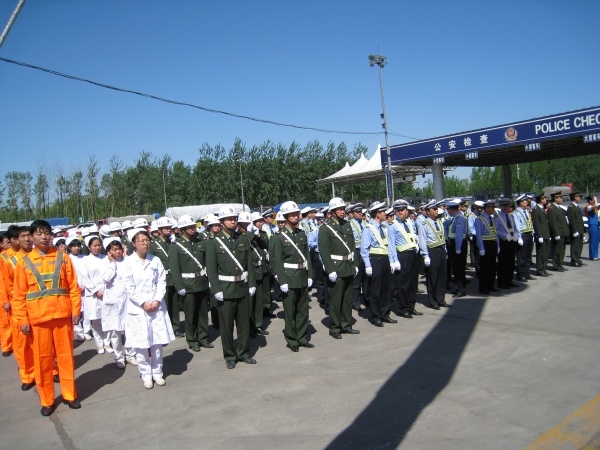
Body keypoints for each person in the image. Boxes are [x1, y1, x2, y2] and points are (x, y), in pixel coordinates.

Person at [12, 220, 81, 416]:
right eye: (39, 233)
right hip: (38, 320)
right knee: (43, 362)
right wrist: (23, 320)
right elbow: (19, 296)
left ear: (51, 235)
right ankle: (47, 400)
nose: (43, 237)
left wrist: (76, 310)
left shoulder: (63, 258)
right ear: (32, 237)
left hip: (62, 317)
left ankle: (69, 394)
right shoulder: (23, 263)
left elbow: (73, 287)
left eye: (46, 233)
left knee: (66, 358)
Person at [121, 228, 175, 389]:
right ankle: (146, 374)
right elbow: (129, 287)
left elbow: (161, 282)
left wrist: (157, 300)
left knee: (156, 343)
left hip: (156, 306)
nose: (145, 243)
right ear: (134, 243)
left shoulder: (155, 260)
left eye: (147, 240)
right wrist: (143, 303)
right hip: (138, 308)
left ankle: (158, 372)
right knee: (141, 344)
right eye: (142, 241)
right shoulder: (128, 263)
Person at [205, 206, 256, 369]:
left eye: (234, 219)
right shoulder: (213, 242)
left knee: (244, 324)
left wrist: (252, 283)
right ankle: (230, 356)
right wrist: (216, 289)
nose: (233, 221)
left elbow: (249, 264)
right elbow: (211, 268)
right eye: (229, 219)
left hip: (242, 287)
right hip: (225, 289)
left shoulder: (243, 239)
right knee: (226, 327)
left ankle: (244, 352)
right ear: (221, 222)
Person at [269, 201, 314, 351]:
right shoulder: (279, 237)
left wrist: (310, 274)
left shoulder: (301, 234)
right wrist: (281, 280)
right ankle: (292, 340)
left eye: (297, 214)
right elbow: (277, 261)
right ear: (286, 217)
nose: (296, 216)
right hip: (289, 278)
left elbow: (307, 255)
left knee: (303, 310)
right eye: (293, 215)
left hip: (302, 276)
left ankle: (302, 337)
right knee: (290, 311)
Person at [169, 215, 212, 352]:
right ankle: (192, 340)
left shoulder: (200, 242)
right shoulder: (176, 246)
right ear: (183, 229)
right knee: (190, 314)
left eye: (194, 226)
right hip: (188, 285)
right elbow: (174, 268)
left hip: (201, 282)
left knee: (203, 312)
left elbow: (207, 261)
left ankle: (203, 337)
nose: (193, 228)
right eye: (190, 227)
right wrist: (179, 286)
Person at [1, 226, 36, 388]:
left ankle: (51, 370)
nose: (27, 239)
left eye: (29, 235)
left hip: (38, 305)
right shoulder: (10, 260)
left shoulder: (40, 256)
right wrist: (6, 301)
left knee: (45, 343)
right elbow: (5, 283)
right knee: (23, 344)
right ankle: (28, 375)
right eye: (23, 236)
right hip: (20, 306)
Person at [318, 197, 359, 339]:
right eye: (339, 209)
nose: (343, 211)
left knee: (347, 299)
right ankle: (335, 327)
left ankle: (346, 325)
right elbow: (324, 251)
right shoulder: (325, 228)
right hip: (336, 268)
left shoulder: (347, 225)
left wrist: (355, 264)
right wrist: (330, 270)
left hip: (348, 266)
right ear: (332, 212)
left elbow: (352, 246)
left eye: (343, 209)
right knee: (335, 300)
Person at [361, 201, 395, 327]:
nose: (385, 214)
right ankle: (376, 316)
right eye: (383, 212)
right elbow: (364, 249)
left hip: (385, 259)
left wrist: (392, 261)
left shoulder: (385, 228)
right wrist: (367, 265)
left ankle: (385, 313)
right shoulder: (368, 229)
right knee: (375, 289)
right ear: (377, 214)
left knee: (386, 288)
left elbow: (389, 246)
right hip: (375, 260)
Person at [149, 217, 183, 338]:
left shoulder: (173, 243)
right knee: (165, 305)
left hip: (174, 277)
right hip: (163, 278)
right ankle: (165, 328)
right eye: (166, 228)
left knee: (175, 305)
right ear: (160, 230)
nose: (169, 230)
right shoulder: (154, 245)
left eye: (170, 228)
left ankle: (176, 327)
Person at [100, 238, 131, 368]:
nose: (118, 252)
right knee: (115, 332)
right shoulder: (104, 263)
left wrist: (126, 256)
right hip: (113, 302)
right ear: (109, 252)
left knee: (129, 329)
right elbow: (106, 278)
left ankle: (131, 355)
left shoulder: (126, 261)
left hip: (126, 300)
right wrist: (112, 263)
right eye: (115, 250)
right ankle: (119, 357)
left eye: (119, 249)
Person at [388, 200, 422, 318]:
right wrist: (394, 260)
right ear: (394, 211)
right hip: (402, 256)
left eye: (402, 210)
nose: (400, 212)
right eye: (398, 210)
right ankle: (403, 308)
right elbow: (391, 245)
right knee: (403, 284)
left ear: (407, 210)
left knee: (413, 283)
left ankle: (411, 306)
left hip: (413, 254)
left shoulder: (409, 223)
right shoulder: (392, 226)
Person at [418, 200, 450, 309]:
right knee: (433, 277)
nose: (436, 211)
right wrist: (425, 255)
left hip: (441, 250)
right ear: (428, 212)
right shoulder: (424, 224)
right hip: (432, 251)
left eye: (437, 209)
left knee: (442, 276)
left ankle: (441, 299)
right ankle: (433, 301)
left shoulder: (439, 222)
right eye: (434, 209)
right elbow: (422, 241)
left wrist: (445, 250)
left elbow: (442, 237)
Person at [81, 235, 110, 354]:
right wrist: (95, 290)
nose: (97, 248)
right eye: (95, 246)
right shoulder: (85, 261)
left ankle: (107, 342)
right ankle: (99, 343)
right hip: (93, 295)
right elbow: (85, 278)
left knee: (107, 318)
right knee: (96, 320)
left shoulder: (106, 258)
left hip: (106, 292)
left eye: (99, 245)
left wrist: (105, 290)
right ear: (89, 247)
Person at [247, 212, 271, 337]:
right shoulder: (244, 236)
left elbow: (265, 245)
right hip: (250, 271)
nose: (261, 223)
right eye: (258, 221)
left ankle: (258, 324)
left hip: (260, 269)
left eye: (261, 221)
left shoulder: (260, 234)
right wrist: (250, 234)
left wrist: (256, 235)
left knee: (259, 301)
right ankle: (250, 327)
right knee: (250, 302)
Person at [475, 200, 500, 294]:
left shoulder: (492, 218)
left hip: (493, 243)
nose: (493, 209)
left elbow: (495, 233)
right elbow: (478, 235)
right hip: (485, 244)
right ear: (486, 208)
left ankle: (491, 285)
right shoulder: (479, 219)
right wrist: (481, 248)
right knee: (485, 267)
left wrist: (498, 245)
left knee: (493, 266)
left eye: (493, 207)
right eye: (492, 207)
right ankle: (483, 287)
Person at [495, 198, 519, 289]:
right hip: (503, 241)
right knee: (503, 263)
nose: (506, 207)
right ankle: (502, 282)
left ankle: (509, 280)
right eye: (504, 205)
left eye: (507, 205)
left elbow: (514, 227)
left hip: (511, 241)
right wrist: (505, 235)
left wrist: (516, 233)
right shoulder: (497, 218)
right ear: (500, 206)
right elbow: (495, 230)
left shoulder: (511, 217)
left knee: (511, 262)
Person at [446, 199, 468, 297]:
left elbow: (459, 234)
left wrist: (458, 248)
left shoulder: (459, 218)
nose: (448, 211)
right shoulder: (456, 217)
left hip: (458, 244)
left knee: (458, 268)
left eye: (448, 209)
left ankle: (461, 289)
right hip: (455, 244)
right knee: (457, 268)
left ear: (451, 209)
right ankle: (459, 287)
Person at [348, 203, 367, 312]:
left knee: (366, 278)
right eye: (357, 212)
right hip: (356, 252)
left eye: (361, 212)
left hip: (366, 252)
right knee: (357, 279)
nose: (360, 213)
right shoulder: (350, 224)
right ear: (352, 213)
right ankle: (355, 301)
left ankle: (366, 299)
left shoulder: (365, 223)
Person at [513, 194, 536, 282]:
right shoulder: (516, 213)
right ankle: (521, 274)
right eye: (525, 201)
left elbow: (530, 223)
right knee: (521, 257)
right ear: (520, 203)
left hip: (529, 234)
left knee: (528, 256)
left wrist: (532, 233)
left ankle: (527, 273)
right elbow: (517, 226)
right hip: (523, 235)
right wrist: (519, 237)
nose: (527, 202)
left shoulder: (526, 211)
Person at [547, 191, 570, 272]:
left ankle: (560, 264)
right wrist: (556, 233)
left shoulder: (558, 208)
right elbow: (553, 222)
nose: (562, 199)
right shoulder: (552, 209)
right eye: (560, 197)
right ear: (556, 198)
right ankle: (556, 265)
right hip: (558, 233)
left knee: (562, 250)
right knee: (557, 250)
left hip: (563, 233)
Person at [567, 191, 586, 267]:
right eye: (578, 197)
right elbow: (571, 219)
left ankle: (578, 259)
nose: (580, 198)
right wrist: (574, 230)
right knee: (575, 246)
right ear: (575, 197)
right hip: (576, 230)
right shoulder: (571, 207)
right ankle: (574, 260)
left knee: (580, 246)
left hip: (580, 229)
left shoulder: (576, 206)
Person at [585, 196, 599, 260]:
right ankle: (592, 256)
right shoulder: (588, 207)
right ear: (590, 201)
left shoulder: (594, 207)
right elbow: (596, 206)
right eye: (593, 200)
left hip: (597, 224)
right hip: (592, 224)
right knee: (593, 240)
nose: (594, 201)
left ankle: (596, 255)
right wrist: (595, 200)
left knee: (596, 240)